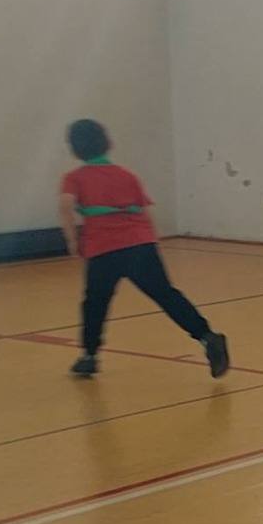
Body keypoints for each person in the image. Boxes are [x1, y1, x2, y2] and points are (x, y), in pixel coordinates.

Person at [58, 119, 229, 379]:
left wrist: (72, 241)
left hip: (103, 249)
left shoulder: (74, 178)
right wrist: (151, 242)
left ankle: (89, 356)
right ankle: (207, 336)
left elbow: (66, 206)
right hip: (140, 244)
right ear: (108, 144)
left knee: (95, 302)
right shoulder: (127, 176)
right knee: (166, 295)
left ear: (74, 150)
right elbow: (144, 212)